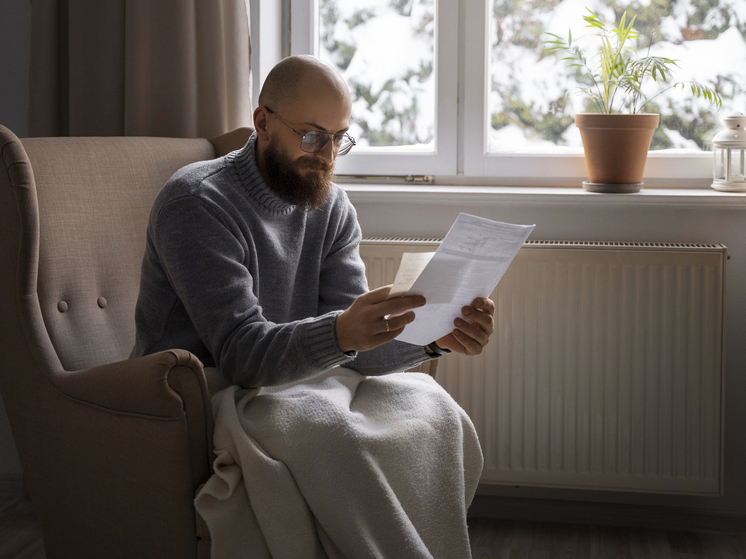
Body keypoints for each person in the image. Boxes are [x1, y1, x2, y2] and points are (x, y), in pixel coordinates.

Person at [130, 54, 496, 387]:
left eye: (339, 138)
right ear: (263, 123)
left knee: (430, 415)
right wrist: (339, 333)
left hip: (286, 387)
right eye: (312, 135)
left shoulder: (332, 208)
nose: (327, 155)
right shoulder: (197, 204)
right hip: (190, 399)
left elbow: (355, 350)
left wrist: (433, 339)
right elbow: (240, 356)